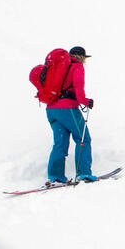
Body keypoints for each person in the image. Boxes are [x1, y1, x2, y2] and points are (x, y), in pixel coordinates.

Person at [46, 45, 97, 184]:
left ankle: (55, 176)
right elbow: (80, 94)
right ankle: (84, 173)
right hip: (67, 109)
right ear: (81, 57)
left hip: (51, 109)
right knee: (83, 139)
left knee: (60, 143)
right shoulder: (77, 67)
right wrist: (87, 102)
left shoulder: (57, 68)